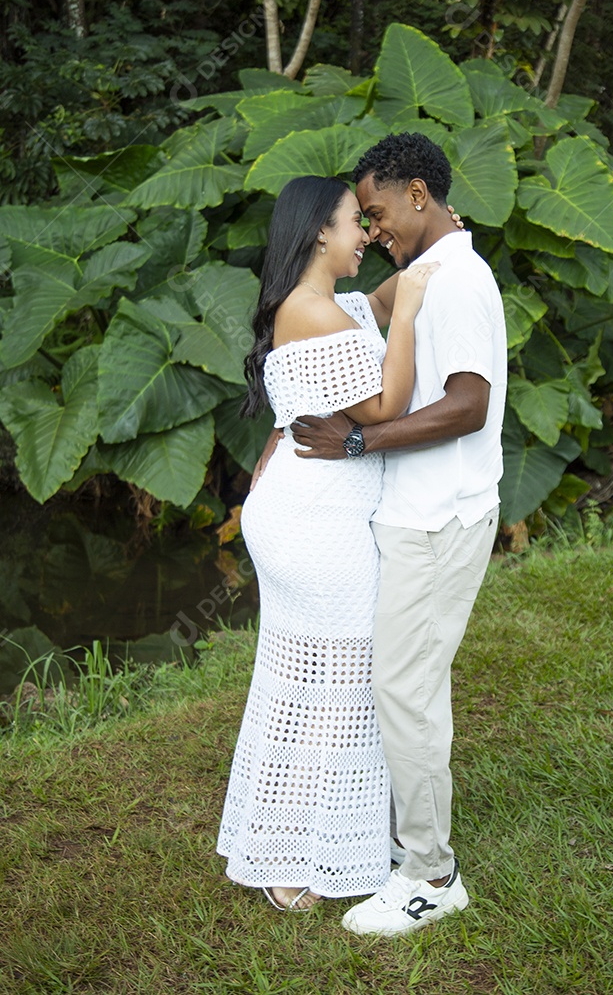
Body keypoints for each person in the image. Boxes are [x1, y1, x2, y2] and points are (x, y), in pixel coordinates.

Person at [288, 133, 508, 935]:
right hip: (413, 515)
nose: (372, 227)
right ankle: (413, 845)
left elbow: (468, 405)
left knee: (404, 690)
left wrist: (357, 441)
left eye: (375, 210)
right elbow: (356, 316)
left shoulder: (457, 283)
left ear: (420, 193)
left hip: (439, 517)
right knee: (412, 687)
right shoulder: (422, 276)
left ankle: (429, 874)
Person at [216, 175, 439, 911]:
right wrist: (406, 310)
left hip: (308, 512)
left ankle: (309, 840)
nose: (366, 234)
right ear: (318, 232)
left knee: (316, 683)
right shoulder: (313, 316)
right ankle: (291, 860)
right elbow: (382, 405)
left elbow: (366, 307)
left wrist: (426, 251)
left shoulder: (323, 307)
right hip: (317, 527)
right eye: (354, 222)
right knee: (330, 688)